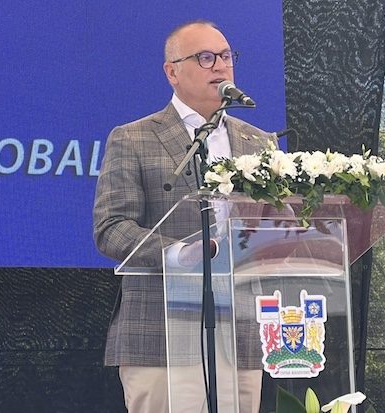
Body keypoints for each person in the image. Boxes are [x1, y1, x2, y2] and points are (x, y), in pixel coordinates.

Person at [93, 20, 277, 413]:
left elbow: (270, 227)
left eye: (226, 56)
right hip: (161, 330)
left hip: (240, 330)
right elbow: (112, 228)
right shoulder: (133, 138)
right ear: (172, 71)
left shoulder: (259, 142)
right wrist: (181, 254)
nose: (220, 66)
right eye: (206, 58)